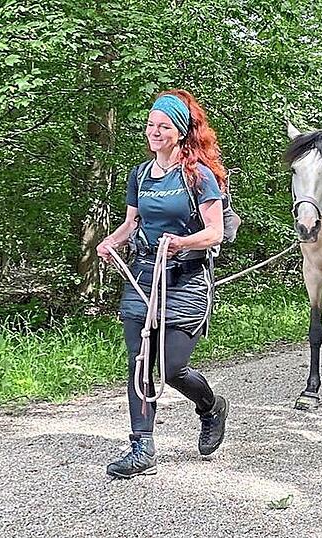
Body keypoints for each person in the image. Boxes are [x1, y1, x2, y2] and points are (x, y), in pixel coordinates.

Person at [95, 89, 229, 479]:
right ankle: (142, 448)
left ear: (181, 132)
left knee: (172, 369)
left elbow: (215, 232)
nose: (154, 132)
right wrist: (111, 242)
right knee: (139, 363)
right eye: (151, 125)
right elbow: (132, 223)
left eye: (164, 126)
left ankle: (210, 407)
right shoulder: (139, 175)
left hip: (186, 280)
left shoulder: (198, 176)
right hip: (143, 277)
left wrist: (182, 243)